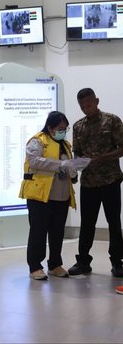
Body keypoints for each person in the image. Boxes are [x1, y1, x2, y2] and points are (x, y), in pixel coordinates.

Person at [19, 111, 89, 280]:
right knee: (38, 231)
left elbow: (68, 168)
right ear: (49, 127)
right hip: (40, 195)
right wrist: (60, 164)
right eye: (59, 128)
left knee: (57, 232)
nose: (62, 131)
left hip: (62, 196)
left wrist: (74, 168)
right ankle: (35, 266)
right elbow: (34, 161)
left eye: (65, 128)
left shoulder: (65, 144)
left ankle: (55, 264)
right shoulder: (37, 141)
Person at [68, 88, 123, 277]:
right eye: (82, 106)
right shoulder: (78, 126)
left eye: (89, 104)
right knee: (87, 224)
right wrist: (77, 165)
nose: (86, 108)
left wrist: (103, 158)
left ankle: (117, 262)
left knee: (113, 222)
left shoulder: (112, 120)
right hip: (89, 182)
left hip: (110, 180)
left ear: (96, 101)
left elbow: (122, 148)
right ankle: (83, 261)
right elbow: (77, 152)